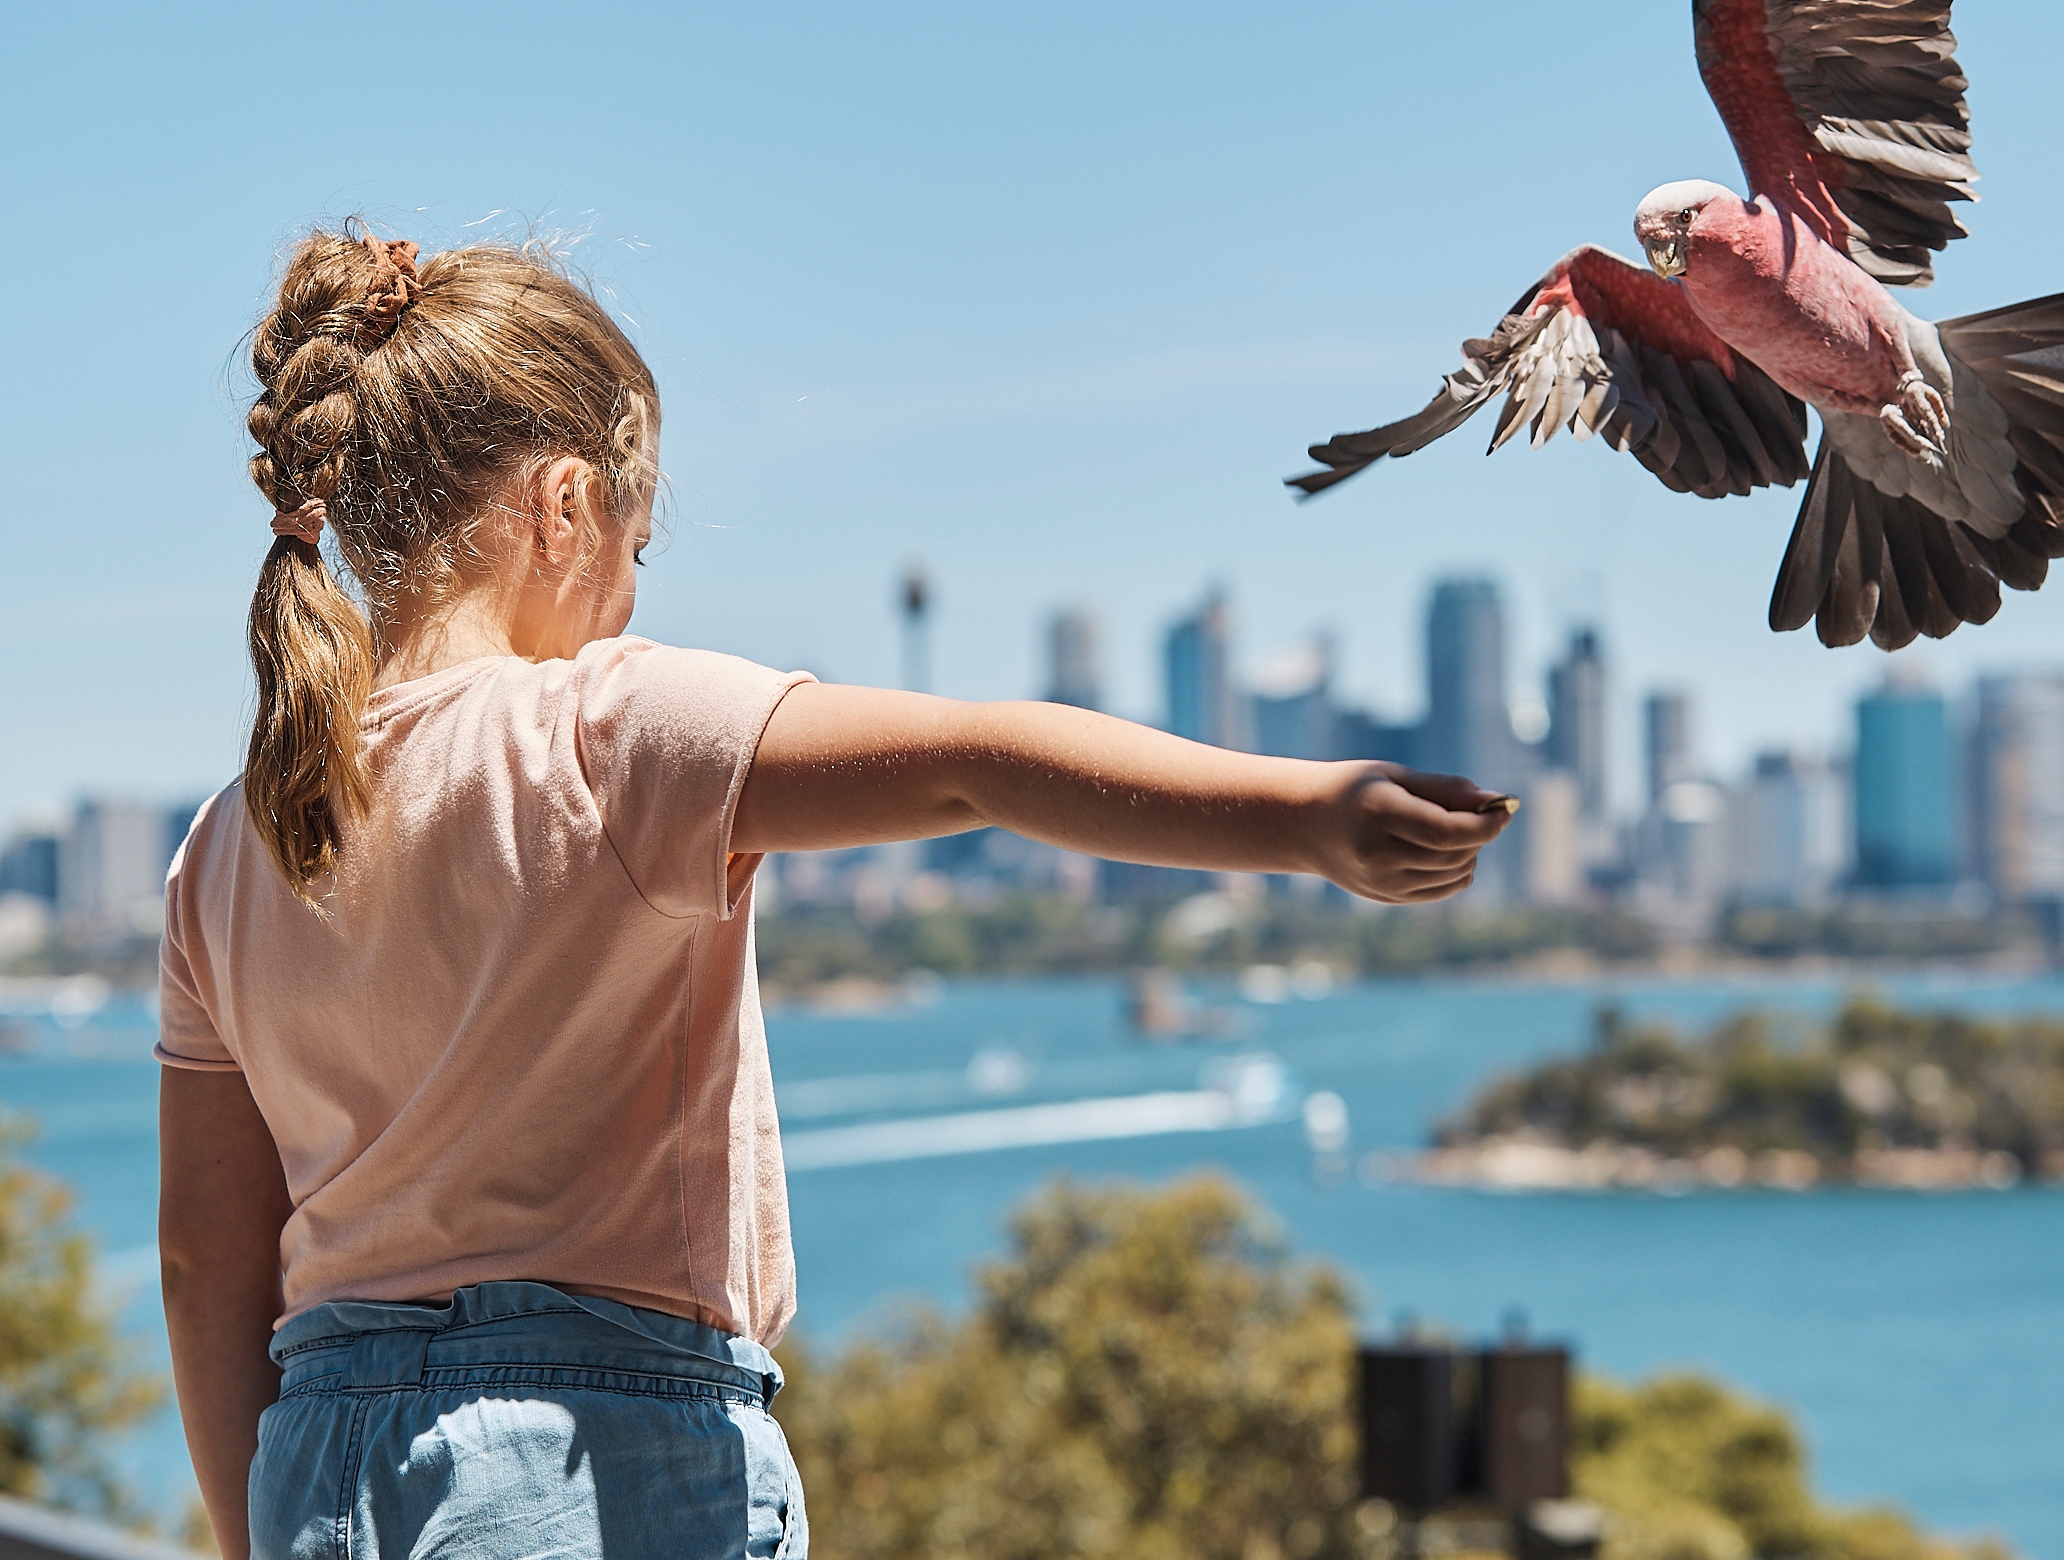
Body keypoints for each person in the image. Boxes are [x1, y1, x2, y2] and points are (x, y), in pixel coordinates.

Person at [156, 227, 1513, 1560]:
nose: (629, 599)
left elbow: (206, 1270)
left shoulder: (231, 840)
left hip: (322, 1469)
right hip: (590, 1450)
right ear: (561, 508)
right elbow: (977, 764)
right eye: (638, 541)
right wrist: (1308, 815)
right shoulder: (603, 730)